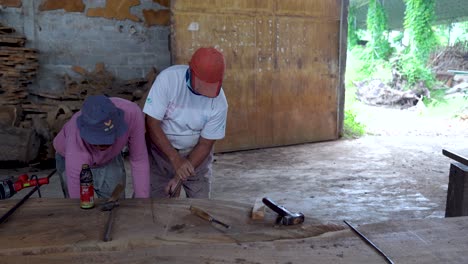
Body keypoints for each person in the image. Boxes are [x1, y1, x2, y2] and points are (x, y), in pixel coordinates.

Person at [143, 47, 228, 198]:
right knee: (158, 206)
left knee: (199, 204)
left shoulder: (220, 103)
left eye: (212, 86)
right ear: (191, 71)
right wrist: (175, 159)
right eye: (202, 85)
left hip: (196, 155)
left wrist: (179, 176)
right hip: (162, 151)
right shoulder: (168, 80)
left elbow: (205, 144)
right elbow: (151, 123)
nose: (206, 92)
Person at [53, 95, 150, 199]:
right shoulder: (75, 141)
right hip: (70, 157)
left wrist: (142, 202)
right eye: (98, 140)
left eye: (109, 139)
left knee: (116, 204)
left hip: (109, 159)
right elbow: (77, 200)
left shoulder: (132, 114)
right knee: (82, 206)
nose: (104, 145)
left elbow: (139, 160)